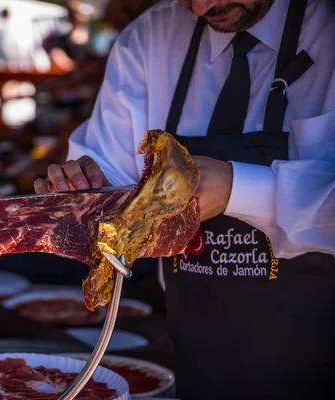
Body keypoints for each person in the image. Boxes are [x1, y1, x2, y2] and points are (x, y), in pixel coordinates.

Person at [35, 0, 335, 399]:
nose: (201, 6)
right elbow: (109, 180)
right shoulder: (150, 39)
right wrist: (87, 194)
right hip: (197, 361)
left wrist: (237, 189)